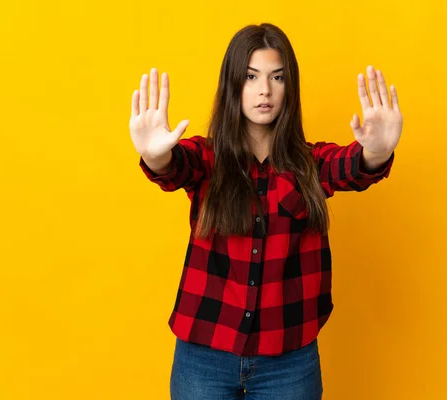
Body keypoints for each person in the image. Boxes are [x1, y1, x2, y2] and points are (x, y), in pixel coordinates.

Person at [129, 23, 403, 400]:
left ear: (290, 87)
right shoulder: (208, 158)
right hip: (203, 355)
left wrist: (377, 152)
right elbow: (175, 167)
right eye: (251, 77)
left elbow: (350, 166)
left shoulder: (309, 162)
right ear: (232, 86)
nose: (265, 90)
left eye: (277, 77)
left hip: (289, 360)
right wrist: (154, 153)